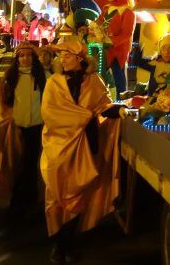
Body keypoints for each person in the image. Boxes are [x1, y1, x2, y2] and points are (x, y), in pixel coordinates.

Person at [41, 36, 124, 263]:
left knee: (80, 192)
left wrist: (115, 110)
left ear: (80, 59)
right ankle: (59, 242)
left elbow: (103, 104)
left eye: (68, 55)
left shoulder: (94, 81)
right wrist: (85, 116)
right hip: (58, 146)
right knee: (56, 193)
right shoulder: (54, 83)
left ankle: (69, 242)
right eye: (62, 56)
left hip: (86, 145)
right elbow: (51, 114)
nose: (63, 59)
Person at [0, 42, 47, 212]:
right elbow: (1, 103)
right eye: (22, 56)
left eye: (29, 55)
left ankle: (30, 196)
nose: (25, 59)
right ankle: (17, 197)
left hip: (37, 126)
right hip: (17, 128)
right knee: (16, 163)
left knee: (31, 163)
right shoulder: (10, 78)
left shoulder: (43, 76)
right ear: (17, 58)